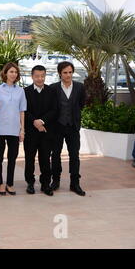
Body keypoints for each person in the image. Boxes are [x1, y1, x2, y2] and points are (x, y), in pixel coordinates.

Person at [50, 61, 86, 196]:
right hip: (57, 127)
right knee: (55, 155)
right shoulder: (53, 88)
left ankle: (75, 183)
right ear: (60, 73)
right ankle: (55, 181)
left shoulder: (79, 87)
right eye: (65, 72)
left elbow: (81, 104)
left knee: (74, 156)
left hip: (73, 127)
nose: (68, 75)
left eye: (70, 72)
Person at [0, 62, 26, 196]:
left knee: (12, 158)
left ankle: (10, 184)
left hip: (14, 130)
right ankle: (0, 183)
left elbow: (22, 111)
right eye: (11, 71)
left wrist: (22, 129)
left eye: (15, 72)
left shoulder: (20, 91)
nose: (13, 74)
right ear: (5, 73)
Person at [24, 65, 57, 196]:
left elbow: (54, 110)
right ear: (32, 76)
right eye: (37, 76)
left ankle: (45, 184)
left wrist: (42, 121)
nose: (40, 78)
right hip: (31, 132)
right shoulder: (25, 91)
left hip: (46, 131)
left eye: (42, 76)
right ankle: (30, 183)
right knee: (29, 159)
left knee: (45, 159)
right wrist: (35, 122)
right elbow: (24, 111)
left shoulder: (51, 91)